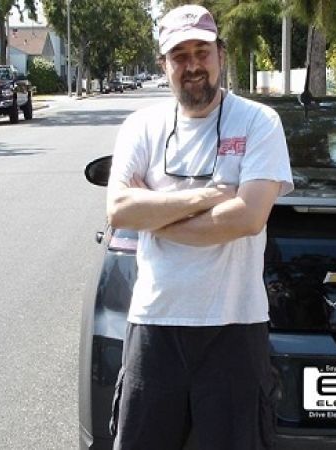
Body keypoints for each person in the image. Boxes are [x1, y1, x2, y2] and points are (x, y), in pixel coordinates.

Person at [105, 4, 293, 449]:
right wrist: (208, 197)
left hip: (235, 325)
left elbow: (248, 217)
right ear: (163, 65)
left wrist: (154, 215)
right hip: (155, 322)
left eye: (201, 52)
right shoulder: (141, 127)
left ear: (220, 54)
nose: (192, 65)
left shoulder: (259, 122)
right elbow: (119, 208)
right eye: (179, 55)